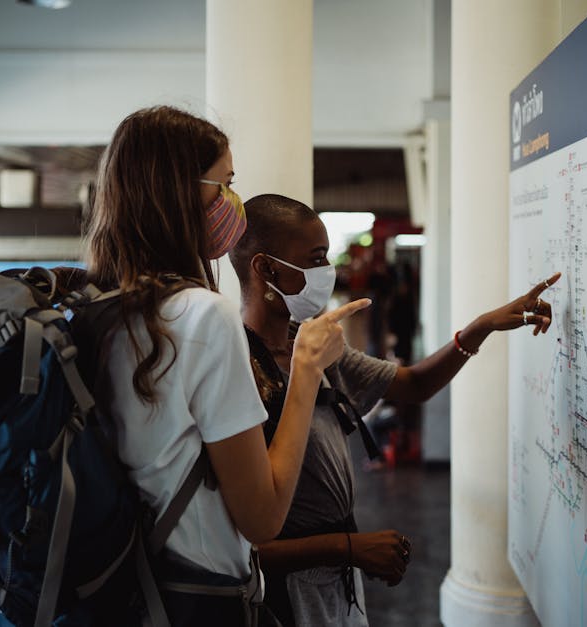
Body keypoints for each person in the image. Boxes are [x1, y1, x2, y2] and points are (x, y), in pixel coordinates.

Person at [83, 107, 370, 626]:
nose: (232, 205)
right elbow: (262, 517)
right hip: (197, 595)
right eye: (225, 185)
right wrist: (304, 370)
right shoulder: (203, 316)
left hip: (125, 585)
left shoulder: (100, 306)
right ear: (180, 192)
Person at [229, 193, 560, 626]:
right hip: (285, 597)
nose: (329, 272)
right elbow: (243, 545)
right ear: (266, 268)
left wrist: (480, 328)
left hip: (338, 583)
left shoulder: (313, 344)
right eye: (315, 259)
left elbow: (414, 385)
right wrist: (348, 548)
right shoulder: (237, 365)